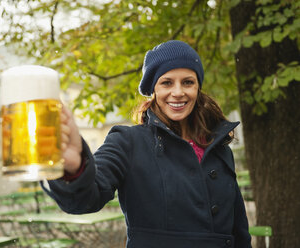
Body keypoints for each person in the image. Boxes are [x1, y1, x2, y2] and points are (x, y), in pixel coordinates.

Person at [41, 40, 252, 248]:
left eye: (188, 82)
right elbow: (86, 199)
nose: (178, 92)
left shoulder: (219, 147)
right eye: (167, 82)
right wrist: (74, 168)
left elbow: (239, 230)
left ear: (198, 88)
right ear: (154, 90)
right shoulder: (127, 142)